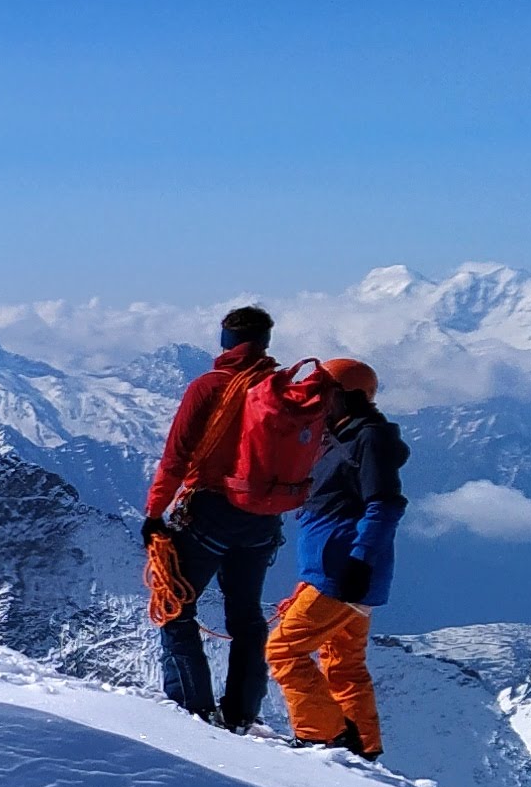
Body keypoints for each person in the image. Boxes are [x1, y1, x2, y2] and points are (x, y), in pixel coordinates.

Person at [144, 305, 328, 729]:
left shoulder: (210, 386)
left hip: (212, 511)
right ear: (266, 340)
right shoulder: (283, 393)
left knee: (175, 606)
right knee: (245, 617)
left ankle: (193, 709)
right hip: (264, 521)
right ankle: (242, 712)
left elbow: (176, 457)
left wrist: (154, 513)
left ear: (225, 339)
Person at [266, 357, 409, 758]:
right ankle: (363, 747)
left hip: (344, 572)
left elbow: (385, 505)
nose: (318, 402)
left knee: (283, 649)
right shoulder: (341, 437)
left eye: (325, 394)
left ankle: (322, 735)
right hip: (342, 572)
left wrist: (358, 560)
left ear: (349, 398)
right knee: (343, 661)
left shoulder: (367, 440)